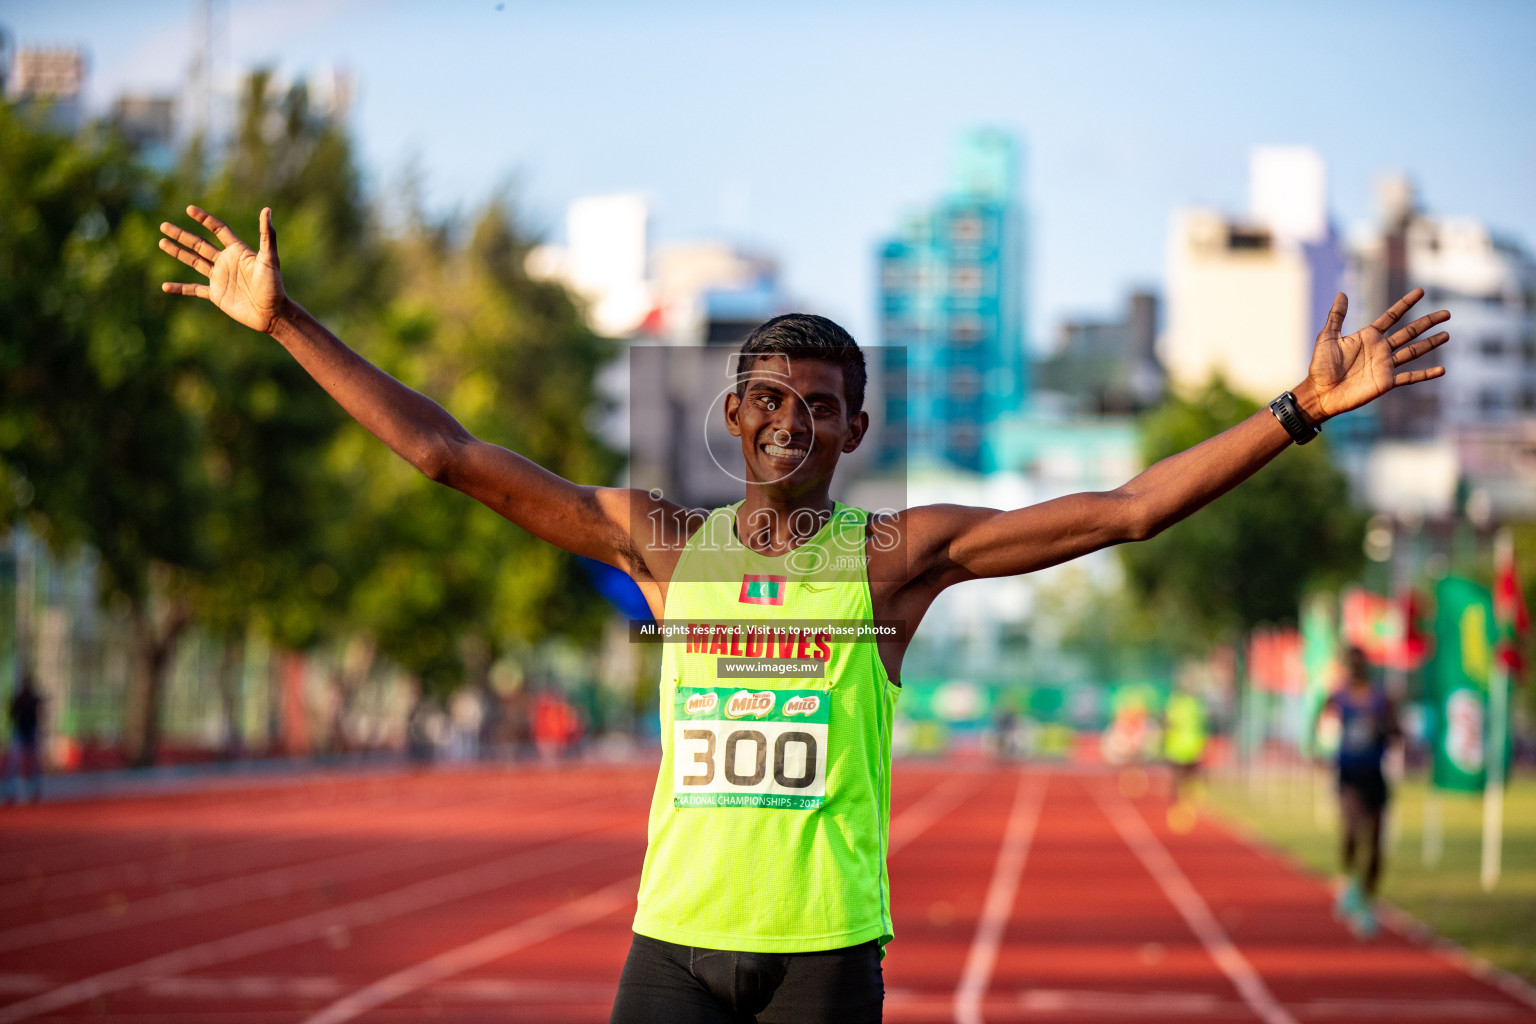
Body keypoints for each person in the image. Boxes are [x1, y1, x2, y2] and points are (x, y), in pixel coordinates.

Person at [157, 204, 1450, 1022]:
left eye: (818, 404)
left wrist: (1296, 414)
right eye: (766, 399)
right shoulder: (658, 542)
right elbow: (448, 453)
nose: (789, 421)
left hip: (823, 962)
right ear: (734, 417)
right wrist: (286, 325)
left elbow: (1122, 510)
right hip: (672, 948)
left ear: (854, 427)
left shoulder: (895, 562)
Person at [1317, 646, 1401, 939]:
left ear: (1366, 666)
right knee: (1351, 830)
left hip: (1374, 776)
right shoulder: (1337, 697)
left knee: (1376, 844)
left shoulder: (1381, 698)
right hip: (1348, 774)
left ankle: (1368, 901)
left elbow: (1396, 732)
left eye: (1359, 663)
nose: (1355, 668)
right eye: (1349, 663)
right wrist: (1320, 749)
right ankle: (1350, 883)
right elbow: (1320, 725)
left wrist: (1383, 727)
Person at [1162, 683, 1208, 831]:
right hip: (1193, 744)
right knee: (1190, 776)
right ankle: (1187, 804)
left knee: (1177, 777)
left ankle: (1177, 807)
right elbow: (1203, 725)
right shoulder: (1196, 705)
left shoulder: (1175, 705)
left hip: (1177, 745)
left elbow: (1168, 723)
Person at [3, 673, 44, 805]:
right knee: (15, 764)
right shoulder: (23, 698)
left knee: (32, 764)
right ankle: (12, 792)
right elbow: (12, 714)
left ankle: (31, 792)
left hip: (28, 732)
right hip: (21, 732)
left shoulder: (28, 698)